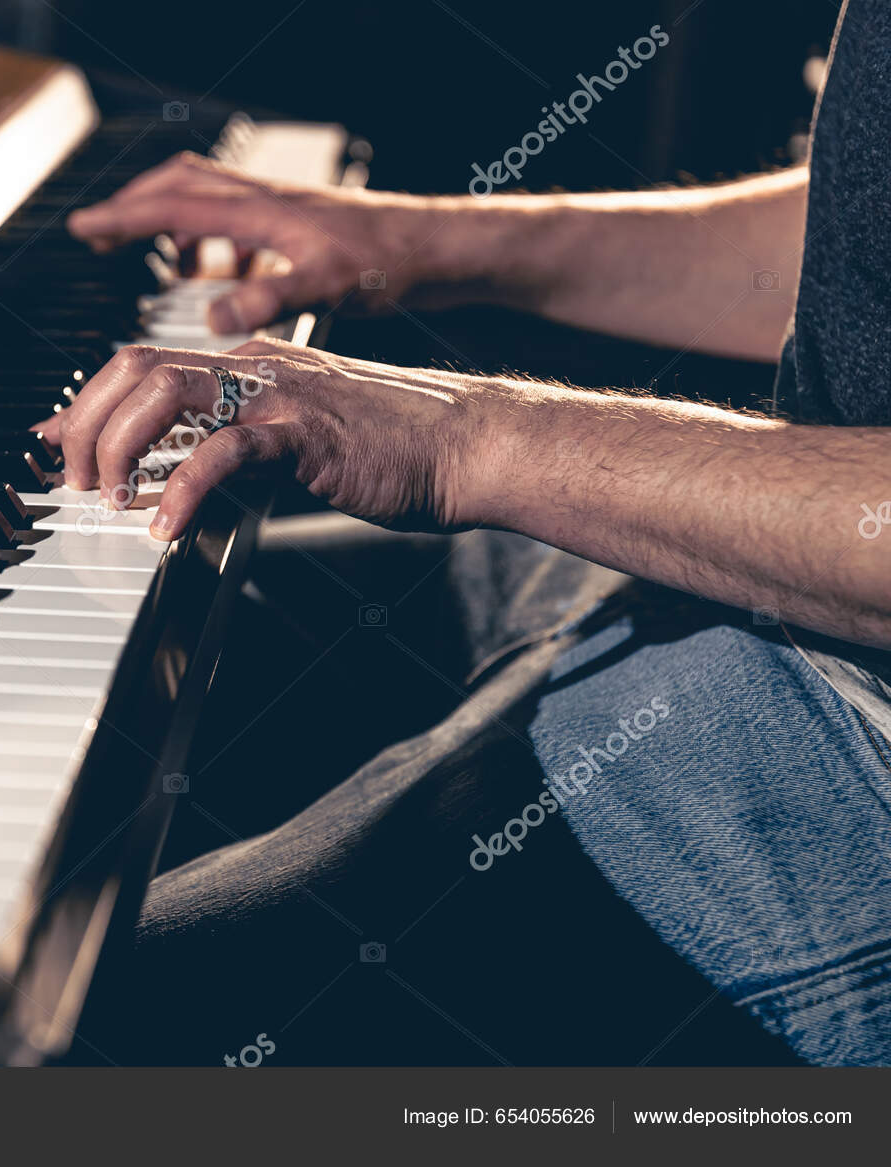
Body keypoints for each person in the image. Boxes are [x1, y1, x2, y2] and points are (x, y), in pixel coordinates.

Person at [48, 1, 891, 1065]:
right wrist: (416, 240)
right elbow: (856, 234)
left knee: (77, 1034)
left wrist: (470, 439)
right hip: (746, 601)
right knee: (126, 624)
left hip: (833, 785)